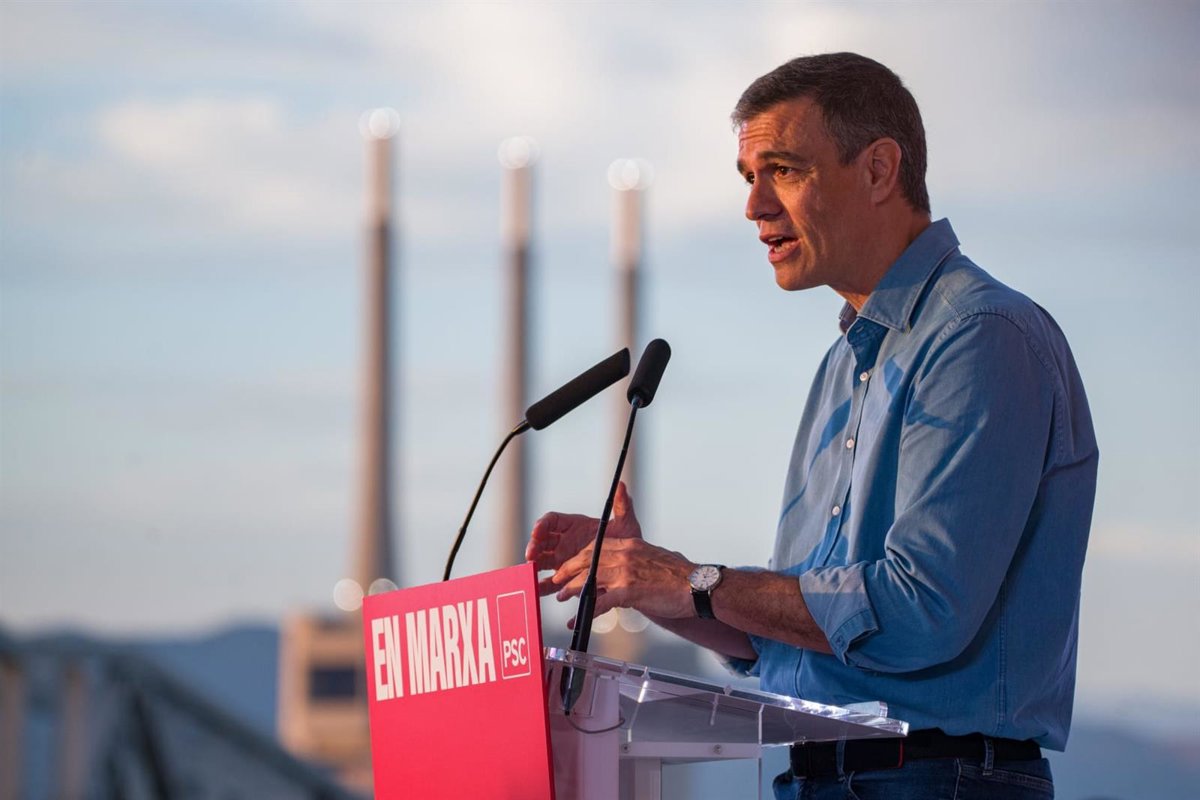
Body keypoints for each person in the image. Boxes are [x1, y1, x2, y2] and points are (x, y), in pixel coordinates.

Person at [527, 53, 1097, 799]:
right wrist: (655, 583)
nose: (754, 206)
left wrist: (693, 581)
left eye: (784, 170)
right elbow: (794, 638)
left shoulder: (979, 336)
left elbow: (920, 612)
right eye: (747, 177)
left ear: (878, 170)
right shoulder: (843, 365)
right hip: (819, 777)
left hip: (934, 780)